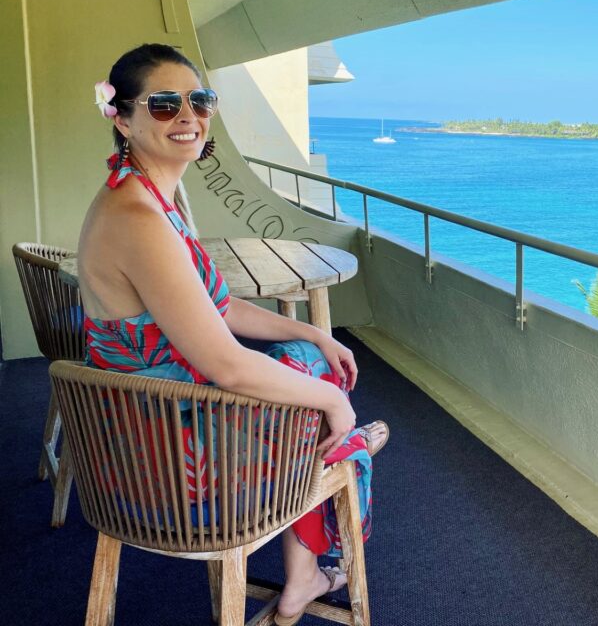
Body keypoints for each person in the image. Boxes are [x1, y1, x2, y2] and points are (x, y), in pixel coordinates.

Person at [77, 43, 387, 626]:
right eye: (165, 105)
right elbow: (227, 365)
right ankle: (315, 555)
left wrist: (316, 334)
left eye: (200, 100)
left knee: (302, 359)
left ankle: (307, 560)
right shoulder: (138, 219)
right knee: (315, 396)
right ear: (121, 117)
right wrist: (334, 401)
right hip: (162, 457)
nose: (188, 116)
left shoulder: (153, 197)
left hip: (153, 421)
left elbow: (221, 310)